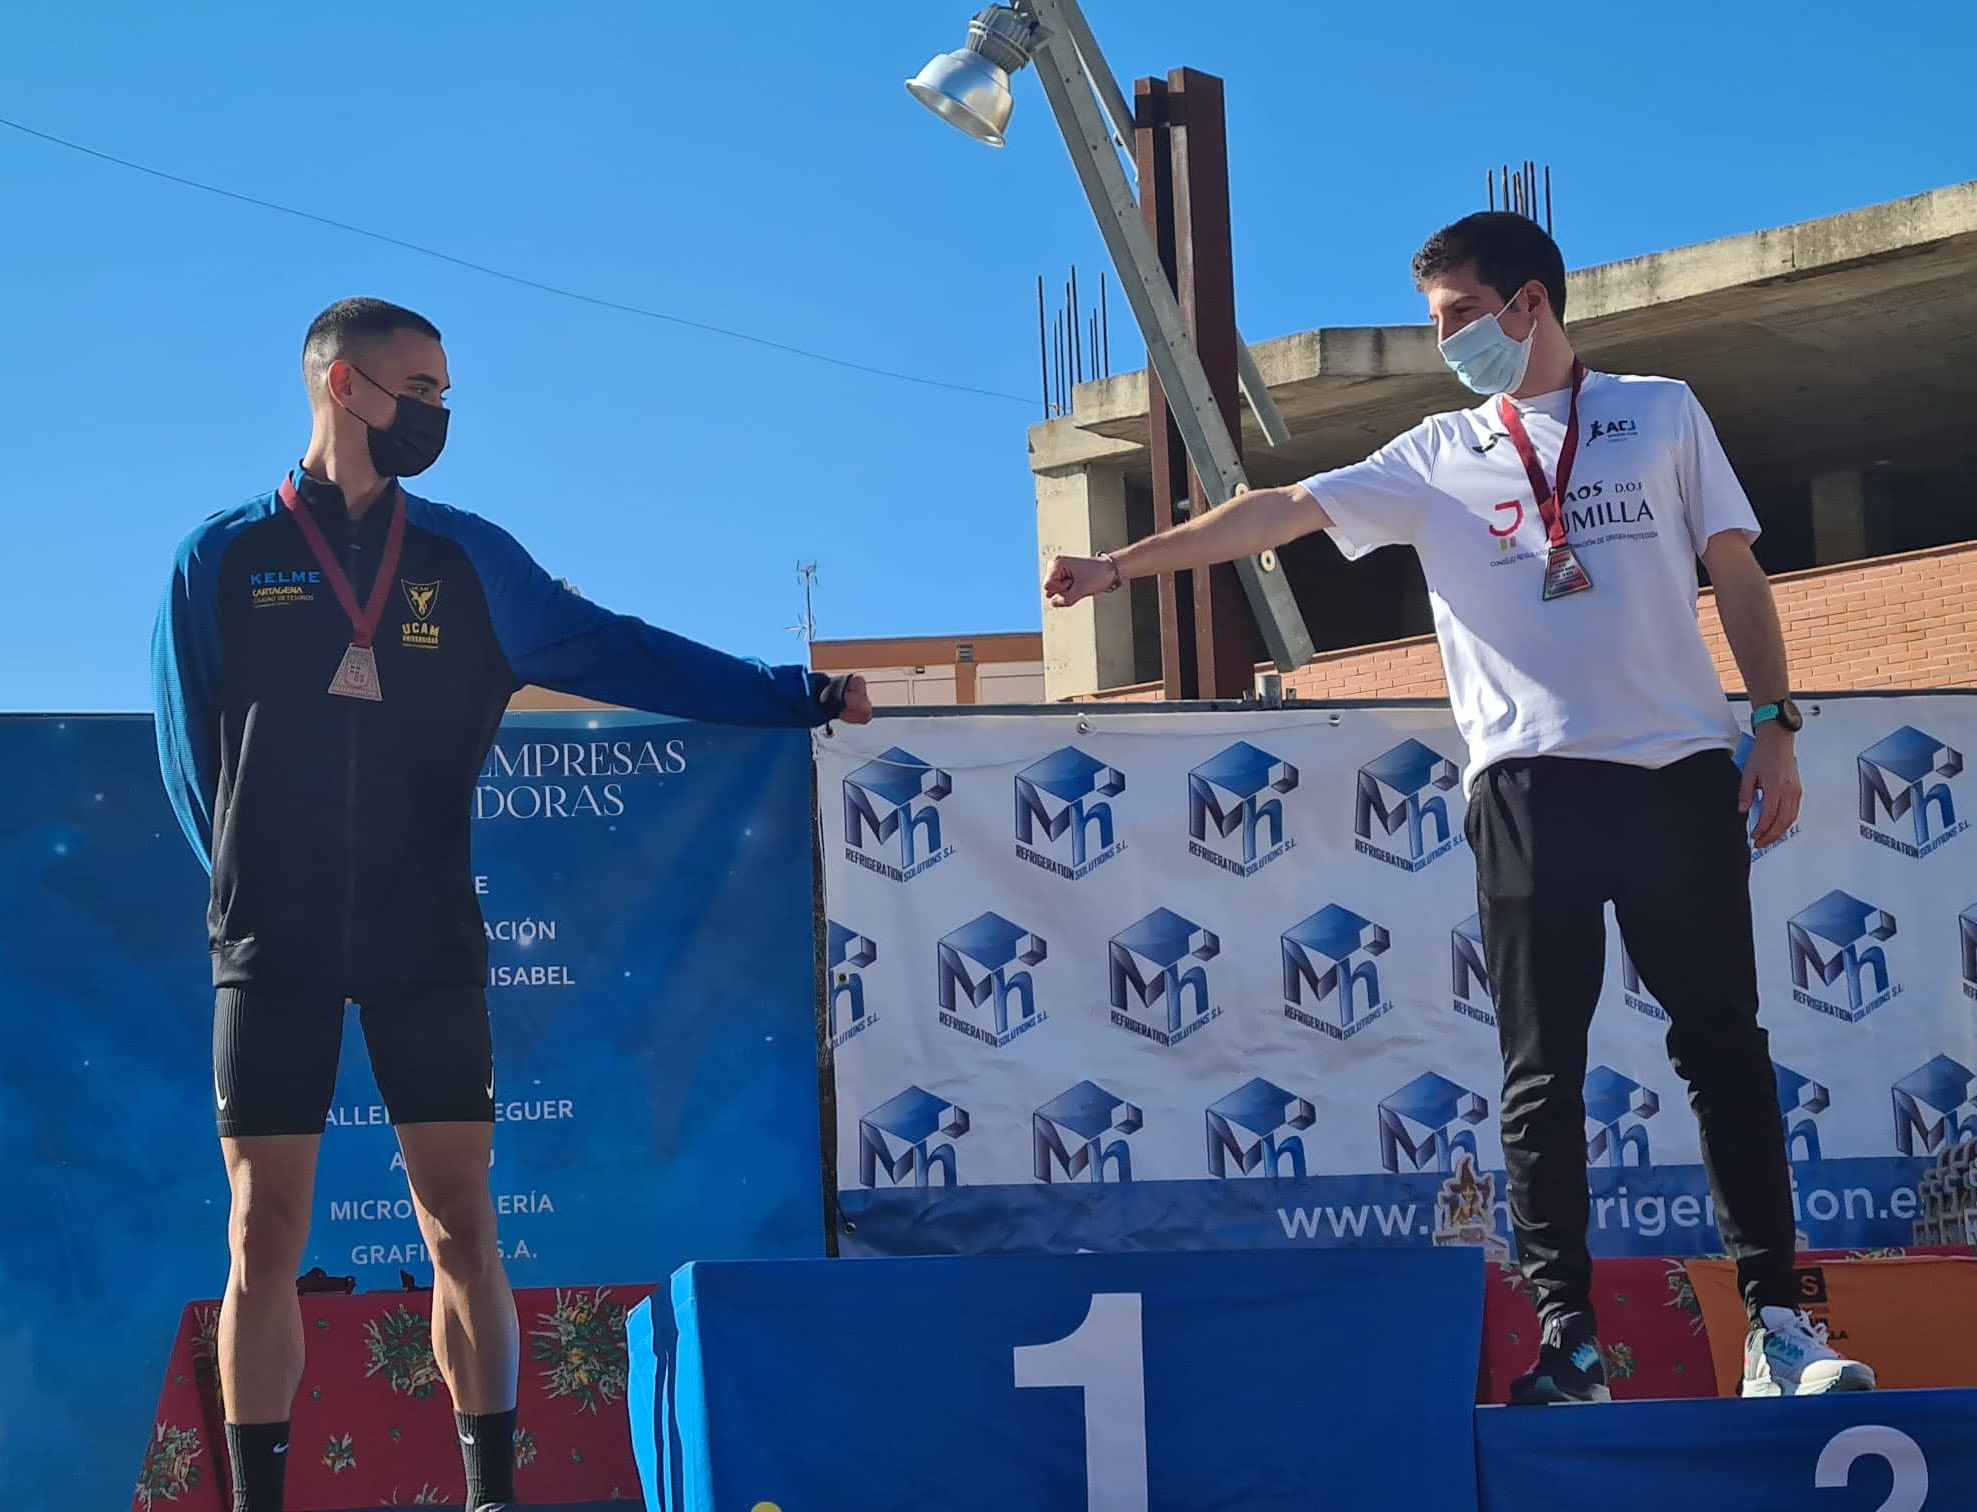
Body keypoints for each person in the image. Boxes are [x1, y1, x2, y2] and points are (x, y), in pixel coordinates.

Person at [1043, 212, 1875, 1405]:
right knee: (1543, 1069)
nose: (1444, 346)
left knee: (1725, 1052)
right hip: (1531, 782)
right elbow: (1278, 511)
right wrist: (1121, 567)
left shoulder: (1662, 410)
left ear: (1527, 303)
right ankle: (1569, 1340)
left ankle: (1779, 1331)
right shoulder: (1437, 451)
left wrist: (1778, 721)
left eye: (1455, 319)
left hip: (1681, 770)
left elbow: (1735, 566)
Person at [152, 297, 872, 1512]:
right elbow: (189, 759)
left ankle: (492, 1496)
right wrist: (240, 894)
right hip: (271, 943)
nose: (438, 411)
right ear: (342, 388)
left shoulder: (469, 559)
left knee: (458, 1224)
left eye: (445, 392)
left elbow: (621, 649)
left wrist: (796, 692)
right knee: (262, 1236)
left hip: (422, 929)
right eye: (416, 388)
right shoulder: (218, 558)